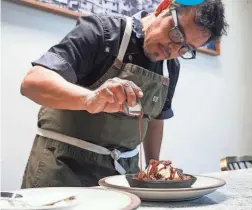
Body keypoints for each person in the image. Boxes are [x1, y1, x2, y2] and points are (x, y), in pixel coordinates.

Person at [20, 0, 228, 188]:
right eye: (176, 34)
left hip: (123, 178)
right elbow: (32, 82)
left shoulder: (170, 68)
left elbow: (154, 119)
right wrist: (89, 99)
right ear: (163, 7)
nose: (173, 50)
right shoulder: (103, 32)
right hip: (63, 170)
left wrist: (153, 170)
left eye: (186, 48)